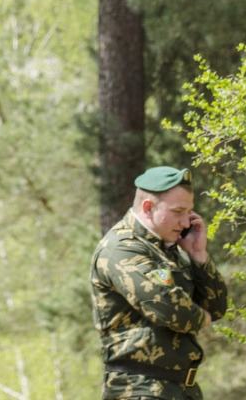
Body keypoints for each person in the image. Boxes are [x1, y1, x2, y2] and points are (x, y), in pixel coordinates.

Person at [90, 166, 228, 400]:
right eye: (178, 212)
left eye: (189, 212)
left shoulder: (169, 250)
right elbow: (170, 309)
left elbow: (217, 307)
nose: (186, 222)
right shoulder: (121, 248)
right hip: (139, 390)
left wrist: (198, 256)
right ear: (148, 208)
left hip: (181, 390)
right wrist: (199, 317)